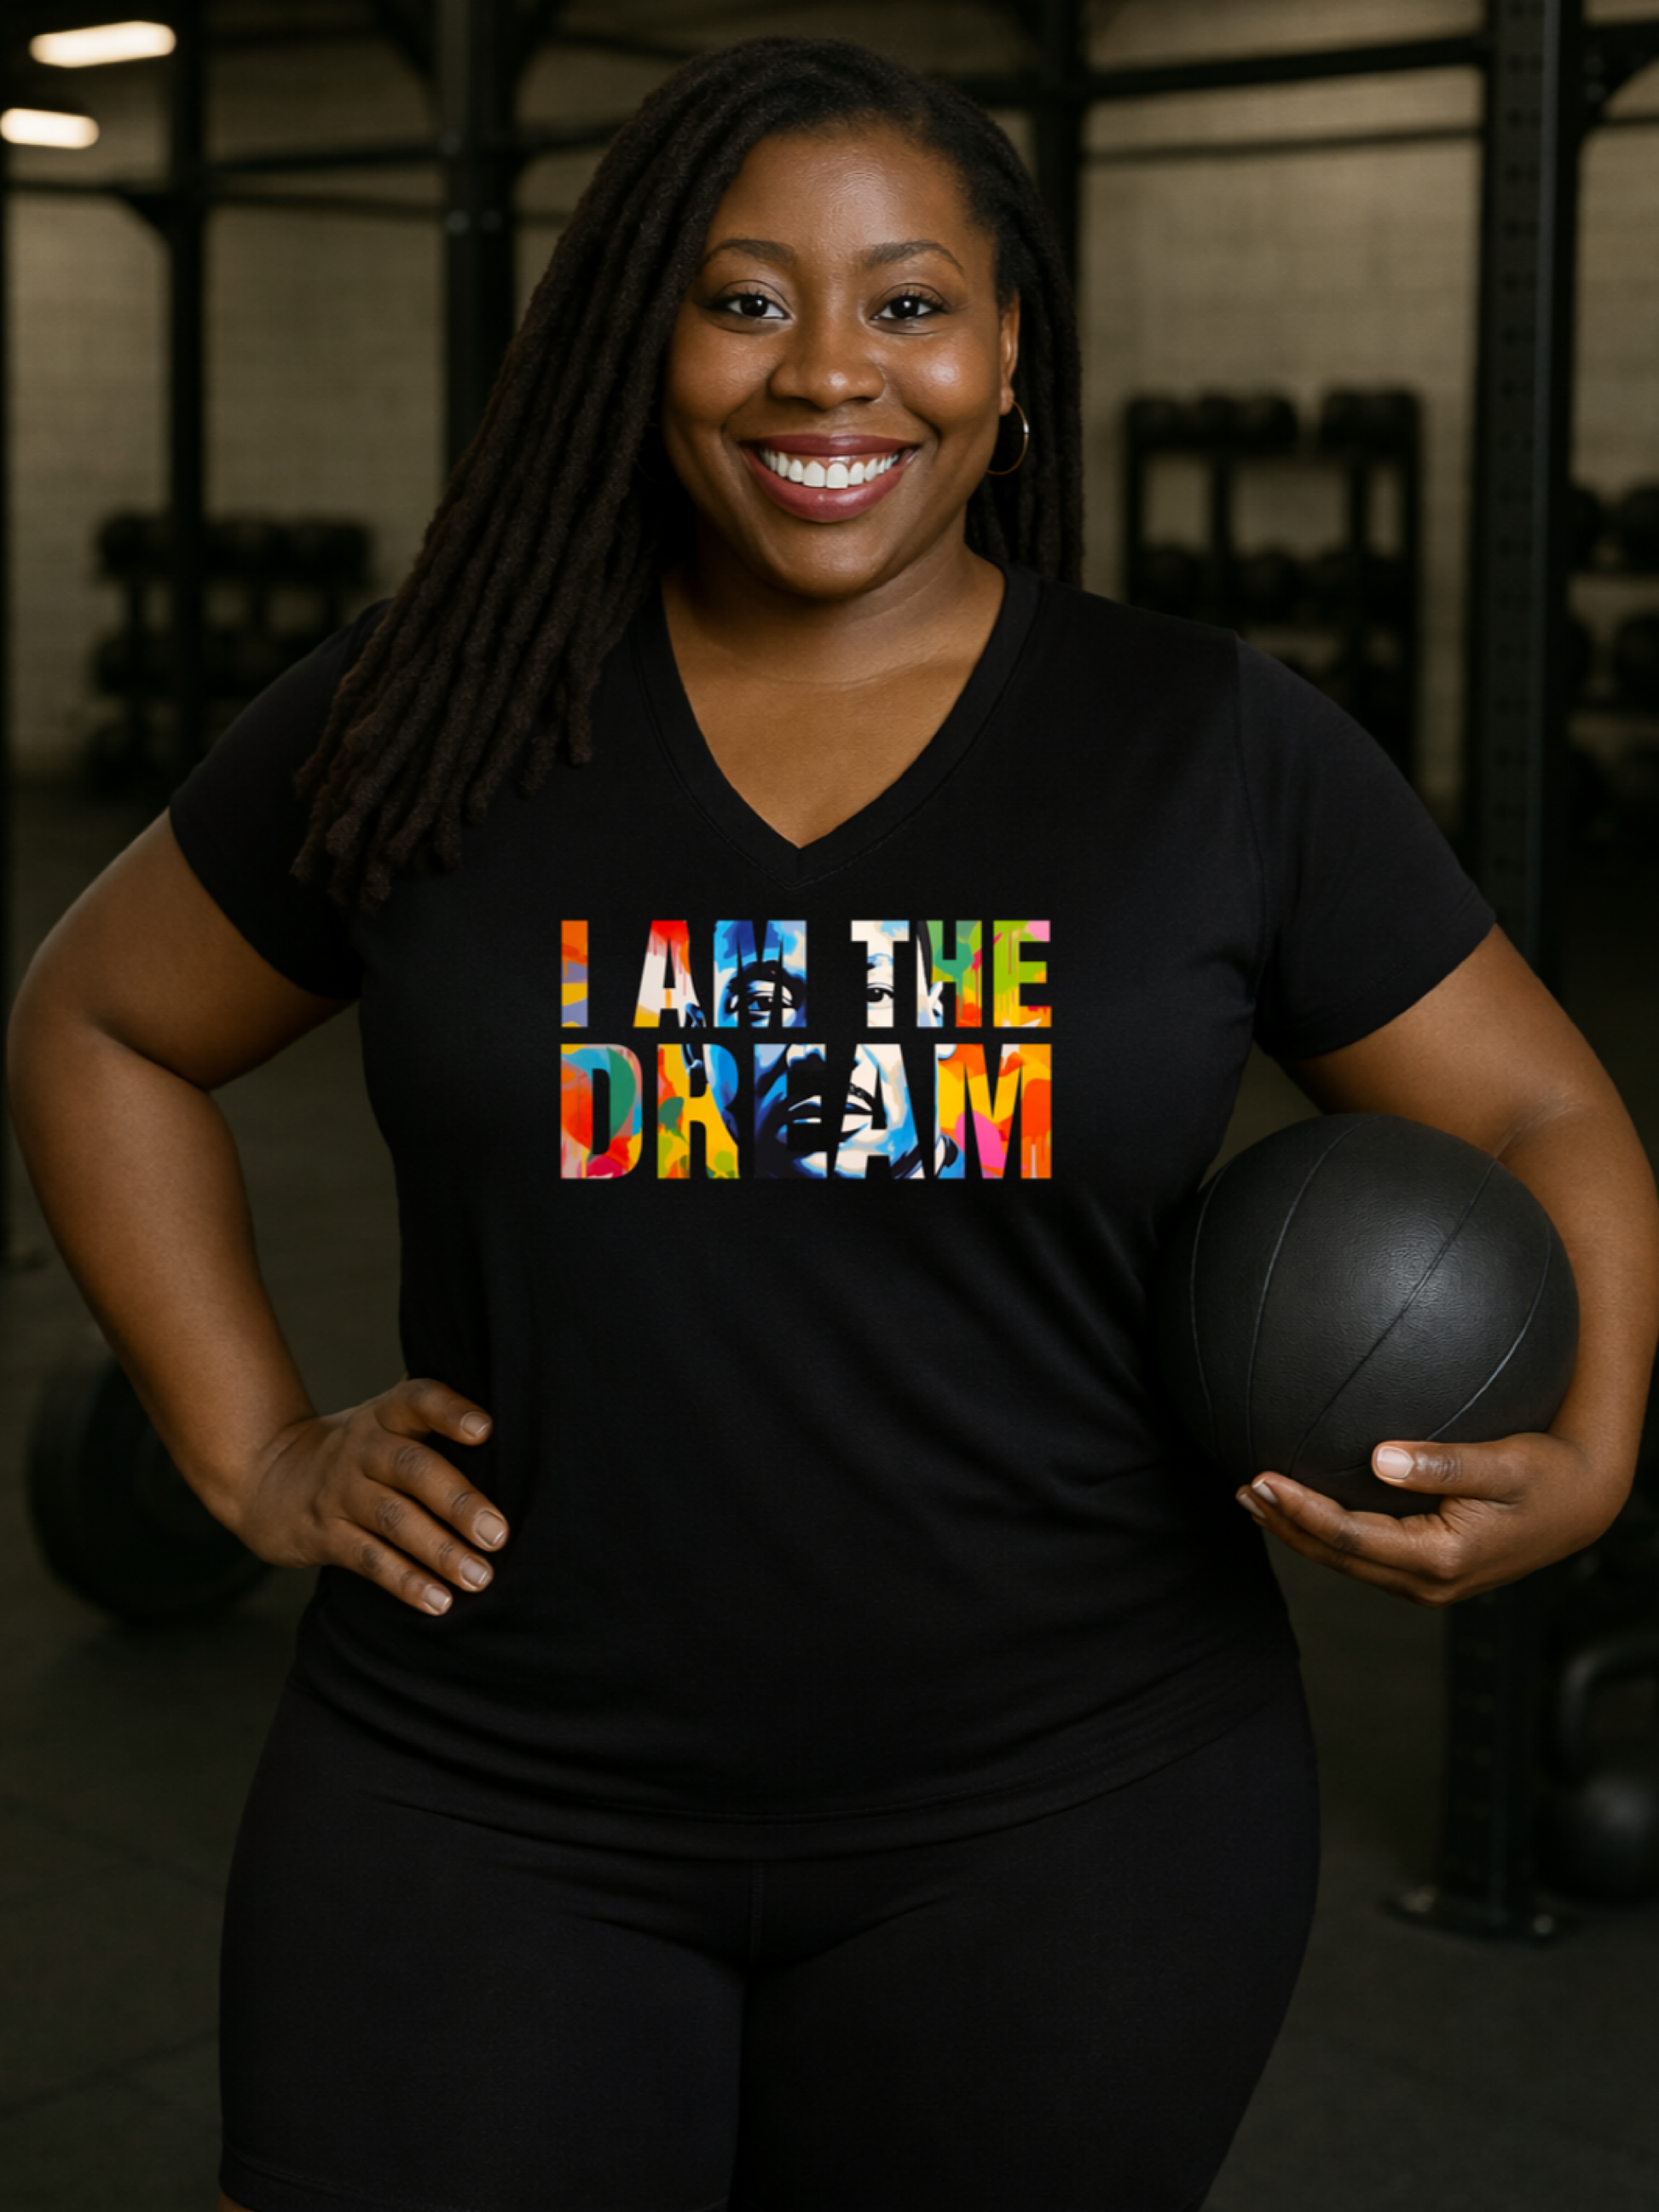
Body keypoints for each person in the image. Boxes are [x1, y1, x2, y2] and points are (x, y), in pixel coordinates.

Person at [9, 35, 1657, 2212]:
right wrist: (244, 1447)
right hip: (488, 1789)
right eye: (744, 296)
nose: (826, 376)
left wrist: (1598, 1446)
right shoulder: (434, 711)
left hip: (1072, 1814)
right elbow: (99, 1023)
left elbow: (1546, 1101)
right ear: (643, 345)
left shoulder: (1208, 745)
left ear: (1006, 361)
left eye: (906, 303)